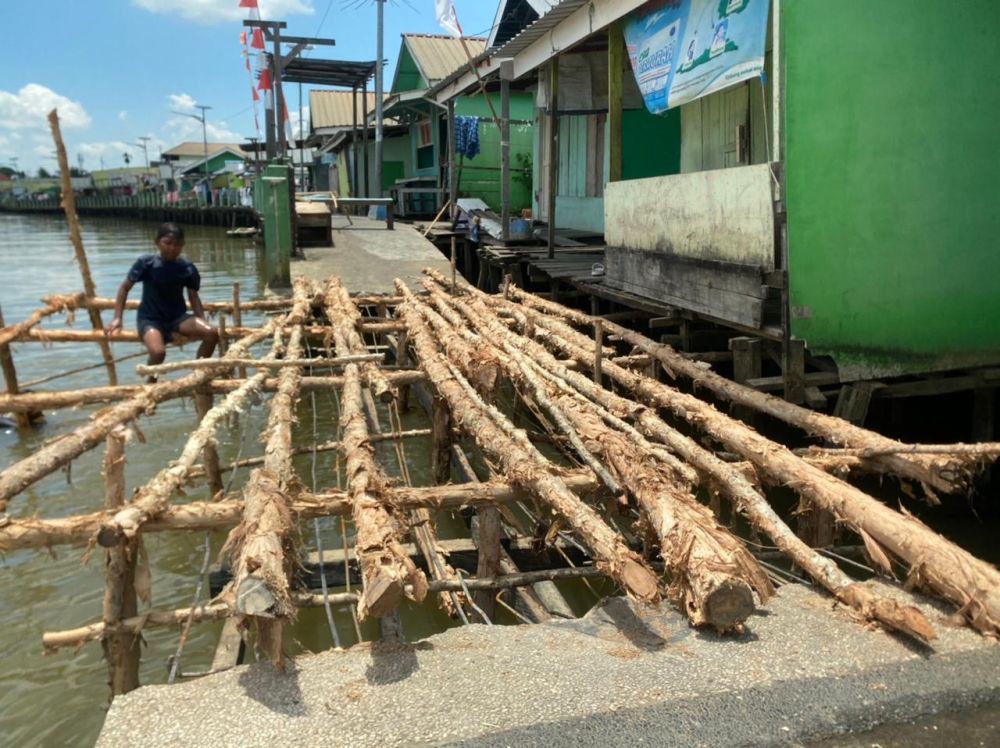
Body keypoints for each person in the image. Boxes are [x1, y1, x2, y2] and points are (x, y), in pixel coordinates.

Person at [107, 222, 218, 383]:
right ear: (157, 242)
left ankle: (197, 374)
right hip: (150, 319)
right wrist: (117, 318)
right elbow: (124, 288)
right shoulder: (147, 263)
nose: (172, 248)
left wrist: (201, 318)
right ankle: (151, 382)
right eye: (168, 243)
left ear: (183, 245)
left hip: (177, 318)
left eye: (177, 244)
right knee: (158, 353)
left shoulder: (187, 268)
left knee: (211, 333)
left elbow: (193, 296)